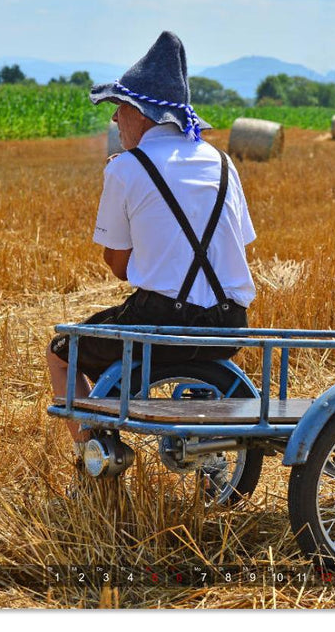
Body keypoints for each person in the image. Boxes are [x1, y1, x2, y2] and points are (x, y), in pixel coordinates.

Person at [46, 31, 256, 464]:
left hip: (159, 324)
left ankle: (92, 452)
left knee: (61, 352)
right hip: (229, 325)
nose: (114, 122)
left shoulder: (126, 168)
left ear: (140, 114)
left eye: (118, 110)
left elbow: (118, 267)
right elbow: (242, 242)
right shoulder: (223, 162)